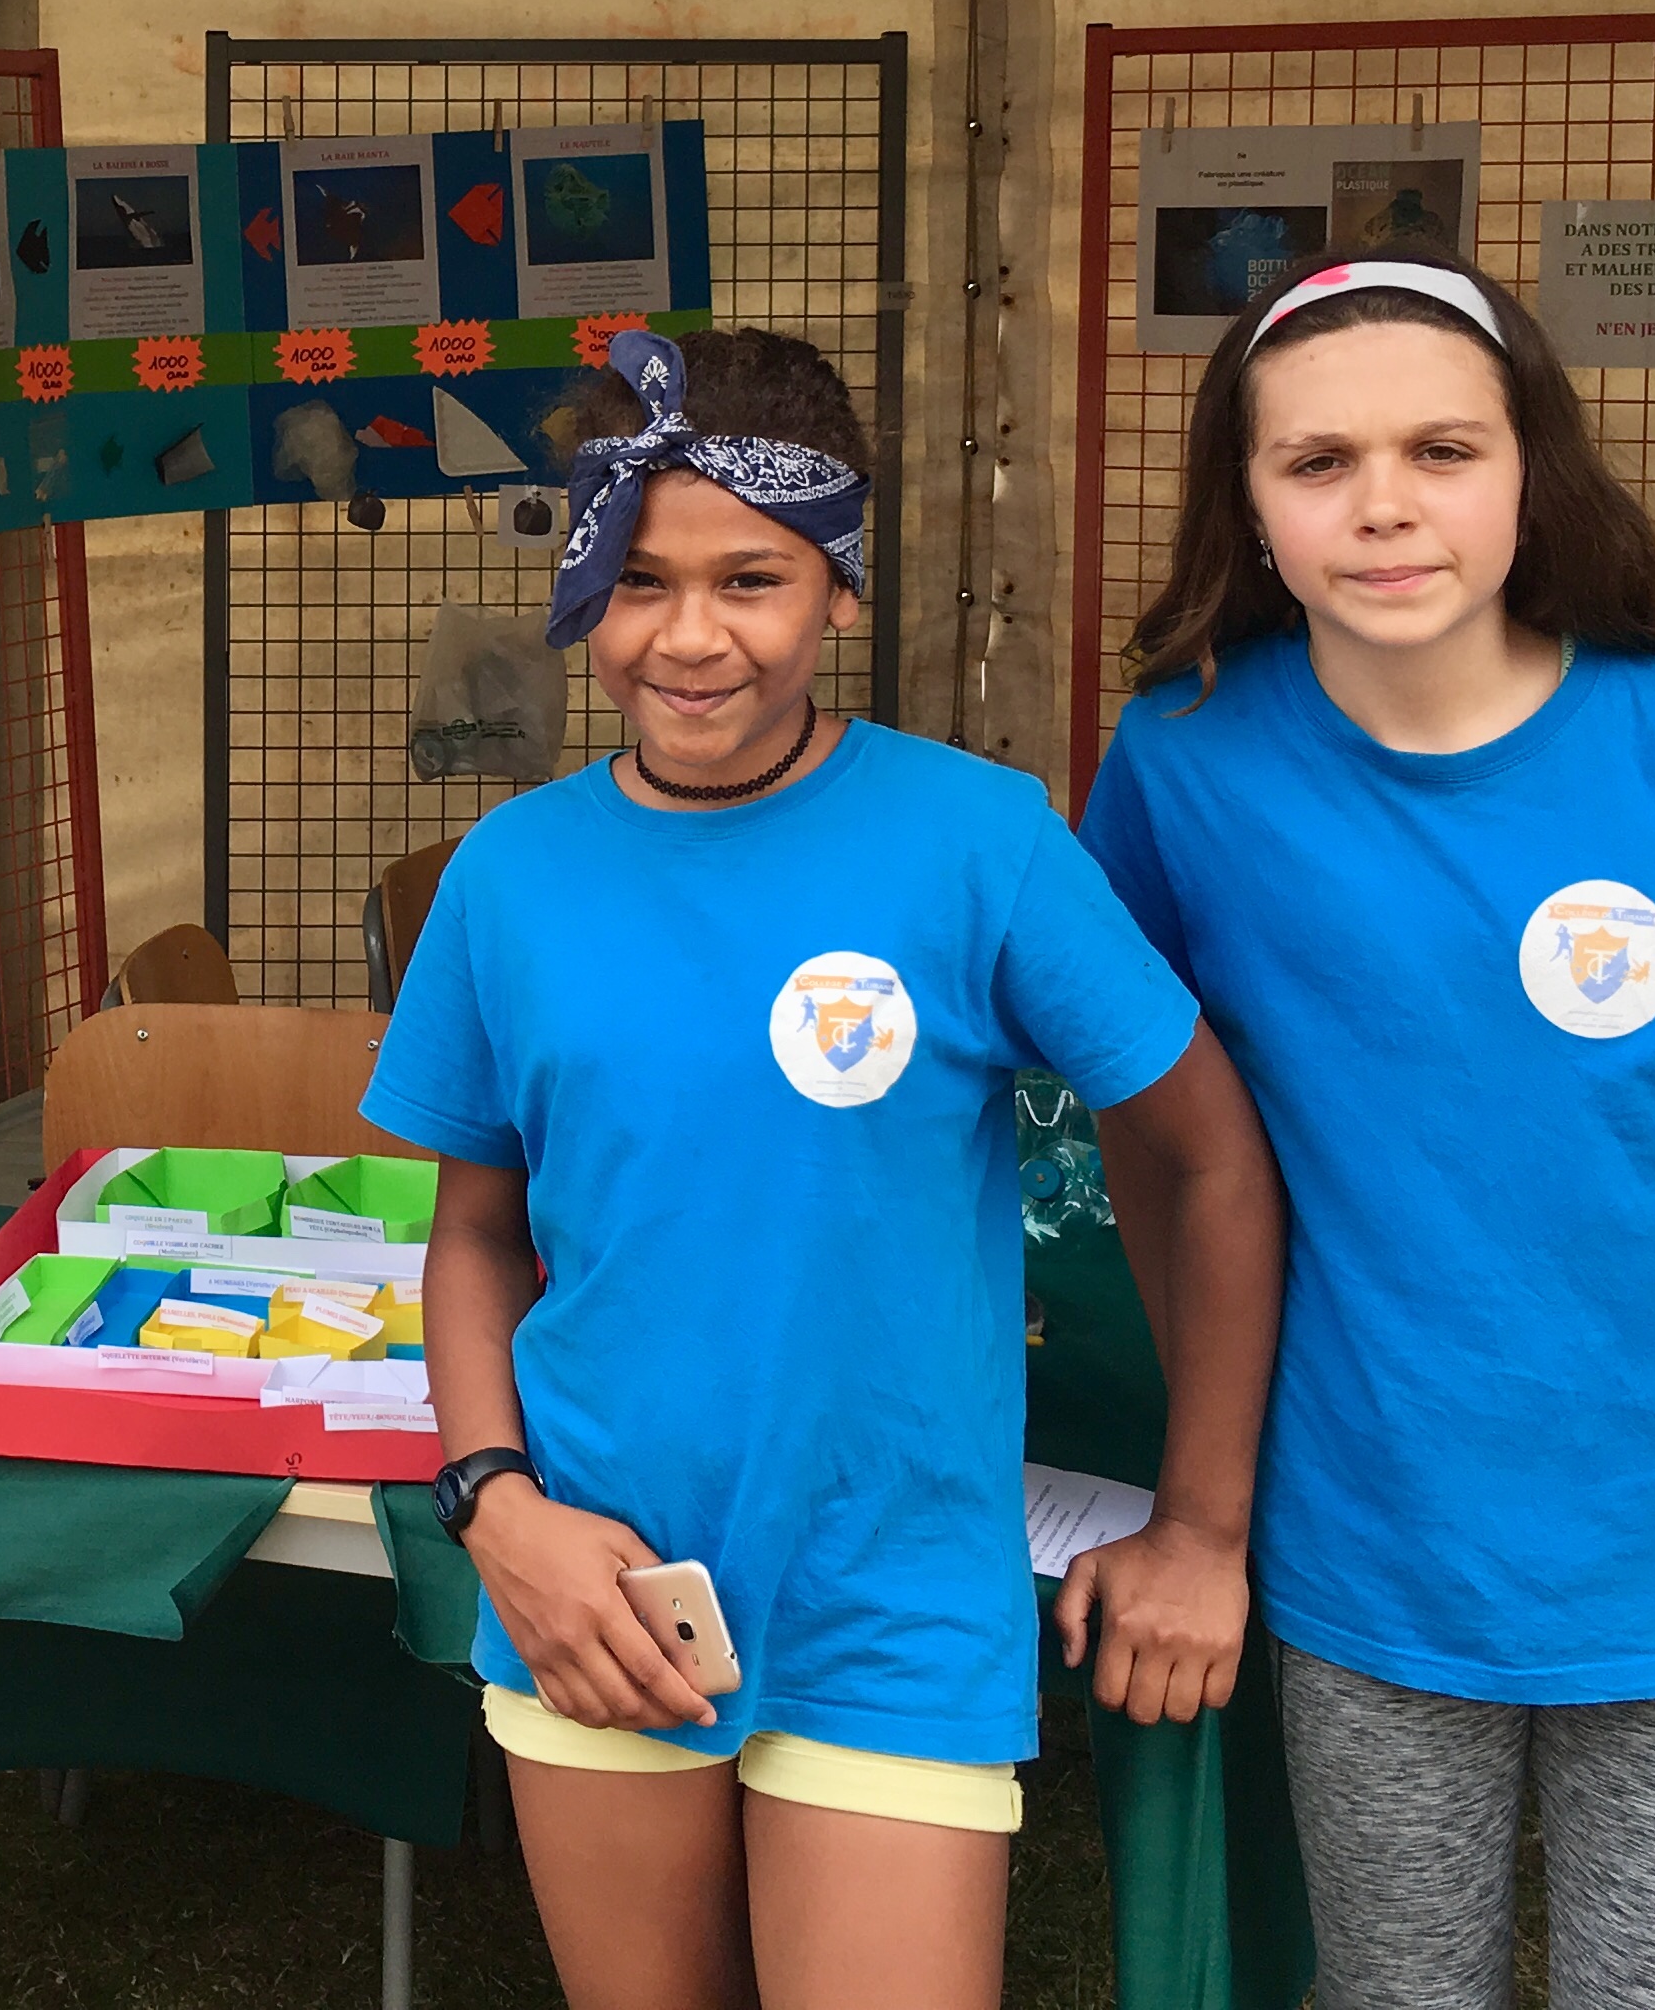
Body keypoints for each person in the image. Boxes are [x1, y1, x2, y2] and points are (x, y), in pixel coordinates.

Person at [371, 327, 1287, 2010]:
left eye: (753, 580)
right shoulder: (509, 876)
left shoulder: (976, 840)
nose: (690, 636)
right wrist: (495, 1506)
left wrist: (1207, 1522)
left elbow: (1213, 1157)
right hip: (598, 1576)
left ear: (841, 590)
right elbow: (479, 1234)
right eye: (640, 582)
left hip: (891, 1593)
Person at [1079, 254, 1655, 2010]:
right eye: (1317, 461)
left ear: (1530, 471)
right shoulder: (1181, 768)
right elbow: (1163, 1153)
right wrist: (1216, 1503)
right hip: (1373, 1547)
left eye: (1443, 450)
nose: (1384, 506)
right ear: (1248, 505)